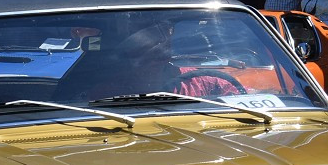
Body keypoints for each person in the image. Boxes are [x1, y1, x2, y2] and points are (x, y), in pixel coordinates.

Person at [88, 22, 242, 100]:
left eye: (163, 40)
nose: (159, 46)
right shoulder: (108, 92)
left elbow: (245, 101)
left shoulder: (204, 82)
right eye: (146, 48)